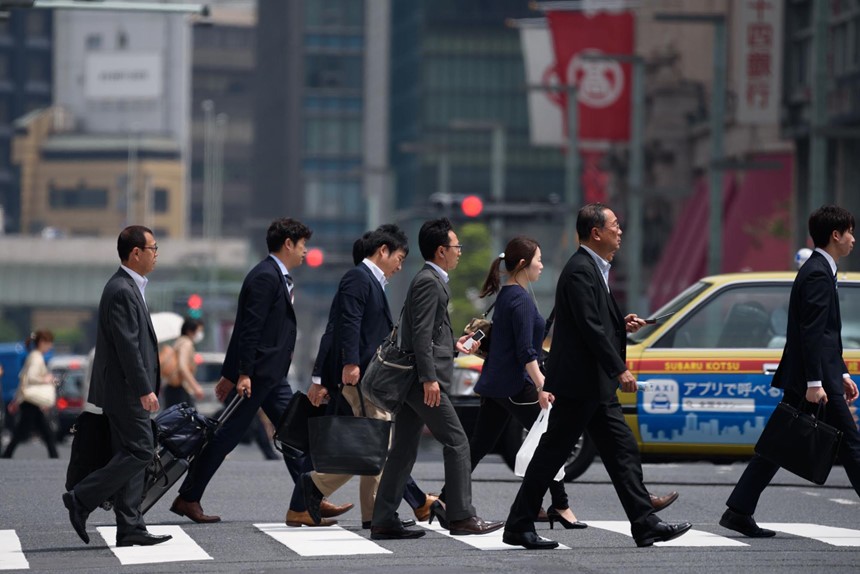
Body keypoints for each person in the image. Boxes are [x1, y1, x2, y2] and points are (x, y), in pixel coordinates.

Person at [502, 204, 693, 549]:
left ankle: (645, 523)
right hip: (580, 384)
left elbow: (589, 321)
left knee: (622, 451)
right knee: (552, 455)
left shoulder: (592, 268)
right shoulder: (580, 270)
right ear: (596, 232)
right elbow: (589, 327)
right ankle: (518, 524)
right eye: (615, 226)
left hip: (592, 385)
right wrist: (619, 368)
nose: (620, 231)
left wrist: (621, 323)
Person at [170, 218, 350, 526]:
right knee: (225, 437)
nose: (306, 251)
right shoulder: (266, 277)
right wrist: (241, 373)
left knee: (297, 436)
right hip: (257, 377)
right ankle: (188, 497)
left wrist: (231, 372)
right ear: (288, 244)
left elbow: (243, 328)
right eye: (303, 244)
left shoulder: (275, 277)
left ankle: (309, 502)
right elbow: (248, 329)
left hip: (272, 377)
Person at [720, 205, 860, 538]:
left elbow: (825, 334)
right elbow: (810, 333)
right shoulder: (816, 272)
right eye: (850, 232)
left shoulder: (822, 269)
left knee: (779, 443)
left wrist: (839, 372)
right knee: (852, 444)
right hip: (813, 379)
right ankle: (738, 510)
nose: (854, 239)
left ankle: (739, 509)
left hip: (820, 375)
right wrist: (816, 381)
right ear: (835, 235)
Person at [370, 218, 504, 540]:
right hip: (421, 382)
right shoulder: (431, 281)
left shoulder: (430, 279)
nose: (459, 252)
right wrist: (430, 379)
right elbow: (419, 336)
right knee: (458, 442)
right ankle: (460, 516)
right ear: (441, 250)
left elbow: (429, 333)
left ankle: (384, 519)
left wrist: (453, 345)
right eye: (456, 247)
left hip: (415, 380)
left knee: (402, 449)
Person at [299, 224, 437, 529]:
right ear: (383, 251)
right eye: (399, 258)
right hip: (363, 377)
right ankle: (320, 488)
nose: (400, 266)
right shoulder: (358, 278)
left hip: (372, 377)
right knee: (378, 445)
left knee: (375, 446)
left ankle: (374, 513)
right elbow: (346, 323)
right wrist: (350, 363)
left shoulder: (372, 282)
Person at [62, 225, 171, 547]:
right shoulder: (122, 289)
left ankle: (130, 526)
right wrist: (143, 388)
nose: (156, 254)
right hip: (125, 391)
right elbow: (127, 347)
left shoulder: (129, 286)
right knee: (139, 450)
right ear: (135, 253)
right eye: (153, 248)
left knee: (131, 451)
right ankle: (81, 498)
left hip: (126, 389)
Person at [2, 330, 59, 459]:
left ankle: (7, 454)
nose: (50, 347)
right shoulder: (36, 358)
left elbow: (23, 380)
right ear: (42, 343)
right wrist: (47, 379)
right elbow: (31, 378)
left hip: (28, 400)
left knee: (36, 430)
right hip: (30, 401)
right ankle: (7, 454)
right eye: (49, 343)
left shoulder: (33, 356)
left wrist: (16, 400)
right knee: (29, 431)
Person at [161, 318, 205, 409]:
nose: (200, 334)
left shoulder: (179, 342)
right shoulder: (186, 343)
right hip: (180, 389)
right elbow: (183, 367)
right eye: (199, 331)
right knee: (187, 419)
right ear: (190, 331)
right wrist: (196, 387)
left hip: (172, 388)